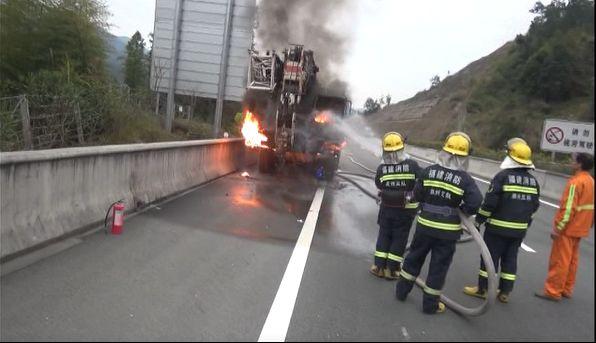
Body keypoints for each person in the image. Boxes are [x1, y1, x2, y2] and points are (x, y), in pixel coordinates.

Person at [395, 132, 482, 314]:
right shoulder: (465, 180)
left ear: (444, 151)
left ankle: (401, 292)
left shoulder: (428, 171)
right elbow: (475, 202)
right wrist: (462, 212)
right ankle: (430, 305)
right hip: (447, 233)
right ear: (464, 157)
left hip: (424, 226)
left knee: (413, 258)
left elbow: (417, 195)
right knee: (438, 268)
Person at [463, 138, 540, 303]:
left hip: (497, 229)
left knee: (490, 258)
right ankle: (505, 292)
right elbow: (534, 207)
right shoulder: (533, 182)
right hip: (519, 231)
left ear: (511, 156)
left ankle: (483, 289)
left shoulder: (502, 177)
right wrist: (525, 225)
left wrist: (479, 220)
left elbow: (490, 203)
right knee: (510, 259)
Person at [535, 152, 594, 301]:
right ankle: (566, 288)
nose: (571, 162)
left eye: (573, 160)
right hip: (581, 227)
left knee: (560, 260)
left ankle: (553, 291)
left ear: (579, 164)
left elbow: (568, 209)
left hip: (569, 229)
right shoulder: (591, 182)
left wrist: (558, 228)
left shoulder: (575, 183)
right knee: (572, 260)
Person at [370, 132, 422, 280]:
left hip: (386, 208)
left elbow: (379, 184)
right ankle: (391, 270)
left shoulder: (382, 168)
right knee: (399, 238)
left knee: (384, 235)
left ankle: (378, 267)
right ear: (402, 148)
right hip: (406, 211)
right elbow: (422, 180)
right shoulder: (412, 165)